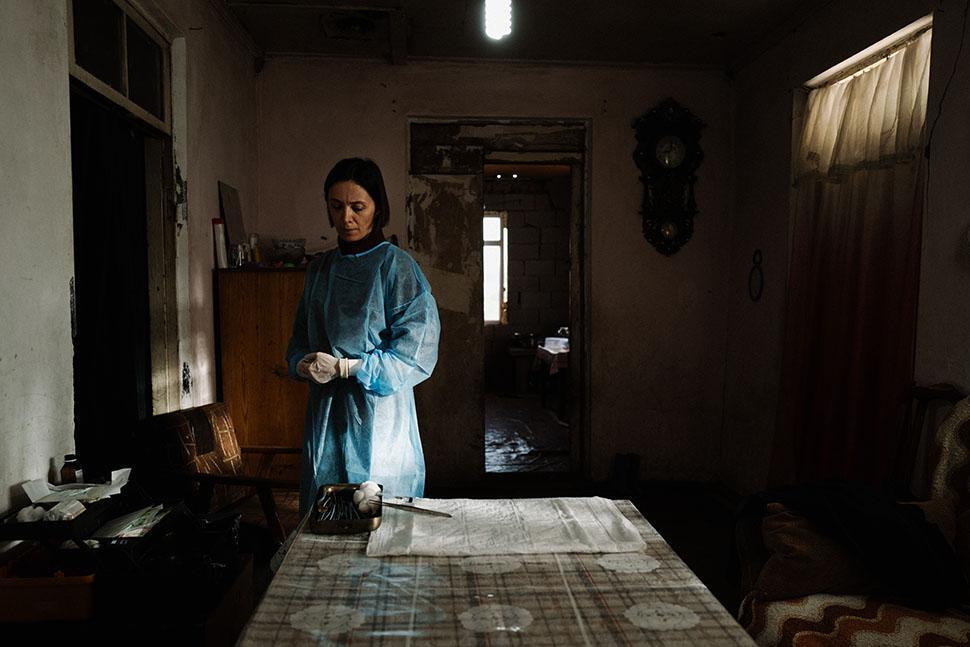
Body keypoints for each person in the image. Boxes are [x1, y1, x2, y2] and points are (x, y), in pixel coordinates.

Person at [287, 158, 440, 514]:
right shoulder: (320, 270)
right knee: (328, 517)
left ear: (378, 209)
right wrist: (303, 364)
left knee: (379, 519)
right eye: (336, 207)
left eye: (358, 207)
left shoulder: (396, 267)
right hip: (326, 418)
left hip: (380, 418)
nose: (346, 218)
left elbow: (414, 355)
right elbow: (297, 343)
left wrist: (347, 368)